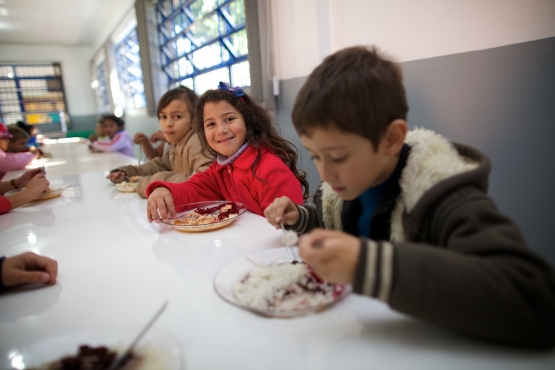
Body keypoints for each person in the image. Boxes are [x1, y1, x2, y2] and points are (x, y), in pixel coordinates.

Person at [263, 46, 555, 348]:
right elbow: (328, 217)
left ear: (391, 139)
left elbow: (536, 301)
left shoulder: (441, 196)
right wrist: (300, 216)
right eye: (315, 157)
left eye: (337, 157)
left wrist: (368, 266)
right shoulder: (346, 188)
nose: (326, 174)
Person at [145, 82, 308, 221]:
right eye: (210, 124)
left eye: (229, 119)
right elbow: (194, 189)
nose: (221, 130)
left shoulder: (269, 169)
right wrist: (165, 191)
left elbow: (288, 230)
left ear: (248, 122)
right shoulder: (221, 168)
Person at [108, 87, 214, 198]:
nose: (168, 123)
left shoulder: (198, 143)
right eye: (163, 117)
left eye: (177, 116)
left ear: (194, 120)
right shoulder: (177, 142)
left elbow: (202, 183)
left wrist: (152, 183)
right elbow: (161, 164)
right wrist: (128, 172)